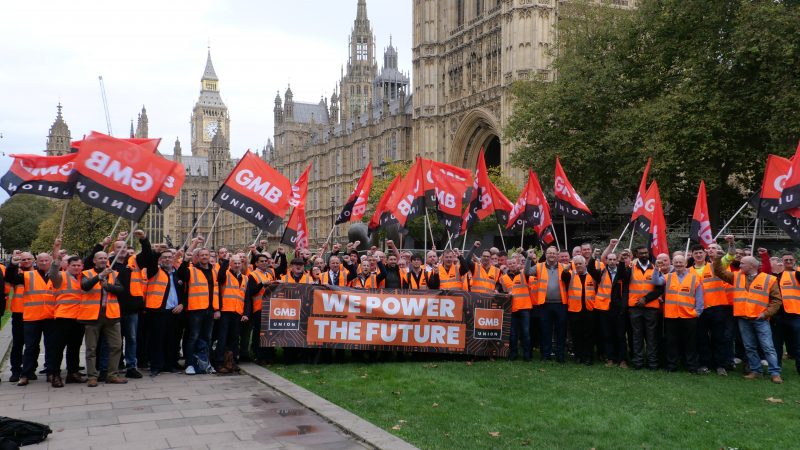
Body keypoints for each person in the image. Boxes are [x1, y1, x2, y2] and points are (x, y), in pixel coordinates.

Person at [712, 253, 783, 383]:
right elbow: (719, 271)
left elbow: (777, 300)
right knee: (749, 346)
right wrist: (717, 259)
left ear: (751, 266)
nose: (740, 265)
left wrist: (766, 314)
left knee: (768, 347)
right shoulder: (737, 276)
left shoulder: (769, 279)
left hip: (760, 319)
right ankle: (756, 371)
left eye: (743, 263)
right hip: (743, 318)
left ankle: (775, 373)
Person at [6, 251, 57, 386]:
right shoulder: (26, 275)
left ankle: (49, 372)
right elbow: (11, 277)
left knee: (50, 346)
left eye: (47, 260)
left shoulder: (55, 274)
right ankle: (21, 373)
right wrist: (12, 264)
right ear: (38, 262)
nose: (44, 263)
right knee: (27, 345)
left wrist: (57, 249)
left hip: (49, 315)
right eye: (42, 261)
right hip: (27, 315)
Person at [178, 236, 226, 375]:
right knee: (193, 337)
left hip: (210, 310)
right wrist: (192, 248)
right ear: (197, 257)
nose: (205, 257)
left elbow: (217, 292)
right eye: (202, 255)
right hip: (195, 310)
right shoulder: (191, 270)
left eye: (207, 255)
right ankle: (190, 364)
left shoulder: (214, 271)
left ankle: (205, 363)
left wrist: (217, 309)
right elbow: (181, 273)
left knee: (207, 338)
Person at [80, 251, 127, 386]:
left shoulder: (113, 274)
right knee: (91, 348)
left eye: (105, 258)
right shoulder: (87, 273)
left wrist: (108, 286)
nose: (103, 260)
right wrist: (99, 277)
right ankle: (92, 377)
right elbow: (85, 286)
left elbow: (121, 290)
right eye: (100, 258)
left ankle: (112, 374)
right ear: (94, 261)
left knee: (116, 346)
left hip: (111, 315)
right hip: (93, 316)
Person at [141, 237, 186, 377]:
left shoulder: (178, 273)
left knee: (172, 340)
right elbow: (150, 261)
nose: (167, 260)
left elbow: (186, 291)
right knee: (157, 340)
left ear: (174, 259)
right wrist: (153, 249)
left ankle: (170, 364)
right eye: (164, 257)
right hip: (158, 311)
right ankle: (156, 366)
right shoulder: (155, 271)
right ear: (160, 260)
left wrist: (182, 304)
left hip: (175, 312)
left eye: (170, 257)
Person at [651, 254, 704, 373]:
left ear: (686, 264)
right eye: (676, 262)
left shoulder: (694, 278)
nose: (678, 264)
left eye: (681, 262)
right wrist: (656, 268)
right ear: (672, 264)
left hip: (689, 316)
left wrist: (697, 313)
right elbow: (655, 281)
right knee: (671, 342)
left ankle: (691, 366)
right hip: (671, 316)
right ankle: (672, 366)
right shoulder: (668, 276)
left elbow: (699, 299)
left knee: (690, 343)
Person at [692, 244, 735, 376]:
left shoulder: (715, 266)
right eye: (696, 253)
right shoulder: (688, 271)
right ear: (692, 255)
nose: (698, 255)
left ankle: (720, 365)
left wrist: (731, 244)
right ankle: (705, 364)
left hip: (717, 307)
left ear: (705, 254)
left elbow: (729, 256)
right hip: (699, 310)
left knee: (719, 337)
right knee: (702, 338)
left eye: (700, 252)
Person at [49, 244, 87, 386]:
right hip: (63, 317)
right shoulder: (61, 276)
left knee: (74, 347)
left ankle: (72, 373)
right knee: (58, 348)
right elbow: (52, 274)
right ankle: (55, 375)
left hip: (79, 318)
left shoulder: (82, 278)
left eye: (79, 265)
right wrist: (57, 260)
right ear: (67, 266)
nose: (76, 268)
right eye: (74, 265)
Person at [528, 246, 568, 363]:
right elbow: (526, 272)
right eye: (549, 253)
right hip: (545, 305)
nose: (551, 255)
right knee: (546, 331)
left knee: (561, 332)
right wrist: (528, 258)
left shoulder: (564, 267)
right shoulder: (539, 266)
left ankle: (560, 355)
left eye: (554, 253)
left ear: (557, 255)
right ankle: (546, 355)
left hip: (561, 304)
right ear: (546, 255)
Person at [595, 241, 630, 368]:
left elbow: (624, 275)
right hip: (604, 309)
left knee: (620, 335)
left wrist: (621, 261)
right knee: (607, 334)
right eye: (609, 259)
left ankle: (623, 360)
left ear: (617, 261)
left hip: (619, 309)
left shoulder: (623, 272)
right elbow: (593, 266)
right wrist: (609, 247)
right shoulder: (602, 272)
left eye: (614, 259)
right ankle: (610, 358)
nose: (611, 261)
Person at [562, 255, 600, 365]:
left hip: (589, 310)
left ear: (585, 264)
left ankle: (588, 357)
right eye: (576, 264)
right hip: (575, 311)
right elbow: (563, 275)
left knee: (588, 335)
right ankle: (578, 356)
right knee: (576, 335)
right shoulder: (570, 275)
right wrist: (568, 267)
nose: (578, 265)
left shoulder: (592, 275)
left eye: (580, 263)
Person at [628, 246, 660, 370]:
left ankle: (653, 364)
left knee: (652, 337)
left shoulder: (655, 268)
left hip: (651, 307)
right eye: (641, 253)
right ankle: (638, 363)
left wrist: (646, 299)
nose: (644, 255)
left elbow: (659, 289)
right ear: (636, 254)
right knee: (637, 337)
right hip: (635, 307)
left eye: (646, 253)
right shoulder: (631, 268)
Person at [216, 255, 248, 373]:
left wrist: (245, 313)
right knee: (223, 338)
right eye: (234, 263)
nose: (237, 265)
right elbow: (220, 276)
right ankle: (219, 362)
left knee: (235, 339)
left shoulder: (245, 278)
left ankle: (233, 361)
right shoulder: (225, 275)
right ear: (230, 264)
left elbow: (246, 298)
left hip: (237, 312)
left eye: (239, 263)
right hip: (225, 310)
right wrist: (224, 261)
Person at [500, 254, 535, 361]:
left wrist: (528, 256)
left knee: (525, 332)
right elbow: (502, 292)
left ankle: (527, 355)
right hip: (511, 309)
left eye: (514, 263)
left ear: (517, 264)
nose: (512, 265)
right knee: (512, 333)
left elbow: (531, 267)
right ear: (507, 265)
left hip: (524, 307)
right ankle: (513, 354)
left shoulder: (524, 274)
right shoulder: (503, 278)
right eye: (510, 264)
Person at [6, 251, 32, 382]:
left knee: (32, 344)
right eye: (24, 259)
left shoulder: (37, 274)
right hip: (19, 313)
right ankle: (15, 370)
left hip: (34, 313)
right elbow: (9, 277)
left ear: (33, 260)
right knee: (18, 344)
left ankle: (30, 369)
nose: (26, 261)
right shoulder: (17, 273)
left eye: (28, 259)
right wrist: (12, 264)